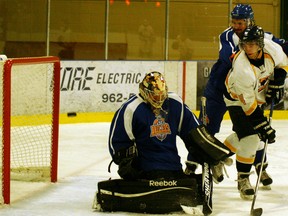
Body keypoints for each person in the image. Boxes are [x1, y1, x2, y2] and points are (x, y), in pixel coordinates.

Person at [94, 71, 231, 214]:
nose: (159, 99)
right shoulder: (131, 108)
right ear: (145, 92)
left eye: (161, 94)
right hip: (146, 170)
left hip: (173, 167)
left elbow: (195, 133)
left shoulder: (174, 103)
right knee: (177, 189)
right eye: (154, 95)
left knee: (183, 184)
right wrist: (127, 166)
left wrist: (213, 155)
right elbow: (117, 142)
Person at [191, 3, 286, 184]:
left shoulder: (262, 37)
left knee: (251, 132)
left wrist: (280, 77)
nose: (236, 26)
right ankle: (199, 161)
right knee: (215, 129)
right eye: (233, 22)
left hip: (249, 90)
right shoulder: (228, 38)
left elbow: (282, 50)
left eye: (240, 23)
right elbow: (231, 57)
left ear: (249, 21)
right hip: (222, 91)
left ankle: (260, 167)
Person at [224, 25, 288, 200]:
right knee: (251, 137)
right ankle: (243, 179)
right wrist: (263, 126)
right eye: (245, 44)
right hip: (236, 99)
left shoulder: (272, 48)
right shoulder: (242, 68)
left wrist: (279, 80)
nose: (248, 48)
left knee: (249, 135)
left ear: (260, 44)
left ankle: (217, 156)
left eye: (252, 44)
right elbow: (248, 106)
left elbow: (283, 63)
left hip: (255, 95)